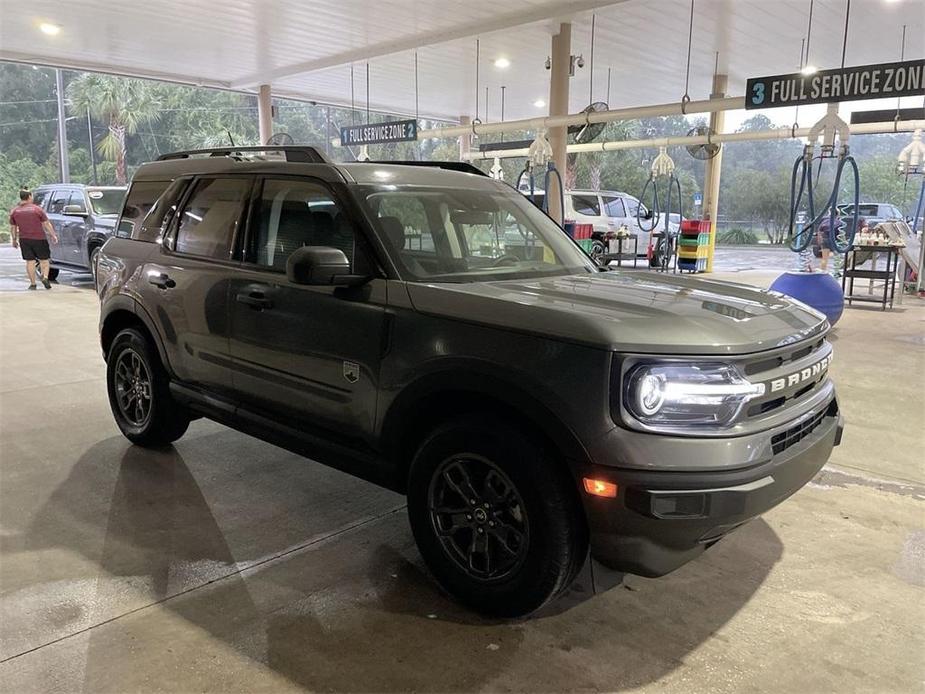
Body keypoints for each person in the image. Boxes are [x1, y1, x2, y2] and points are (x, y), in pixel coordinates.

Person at [9, 188, 58, 290]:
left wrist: (14, 239)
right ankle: (44, 277)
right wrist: (53, 235)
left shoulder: (15, 211)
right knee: (44, 260)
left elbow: (13, 227)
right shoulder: (37, 209)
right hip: (39, 238)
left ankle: (33, 284)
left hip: (24, 239)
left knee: (29, 261)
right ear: (29, 197)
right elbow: (46, 224)